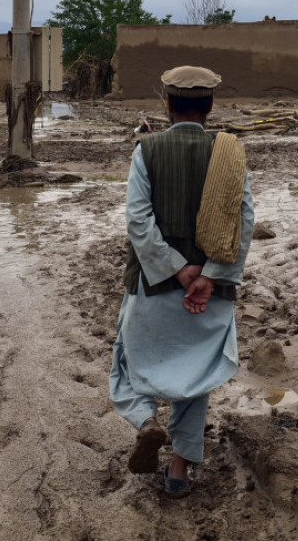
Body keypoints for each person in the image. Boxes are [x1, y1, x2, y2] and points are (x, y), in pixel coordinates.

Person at [109, 65, 254, 495]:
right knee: (197, 378)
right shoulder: (230, 152)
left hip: (153, 286)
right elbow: (244, 222)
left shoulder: (147, 149)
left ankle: (146, 421)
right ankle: (178, 472)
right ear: (210, 106)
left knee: (125, 363)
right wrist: (209, 276)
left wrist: (175, 268)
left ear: (168, 104)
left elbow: (138, 220)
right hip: (210, 295)